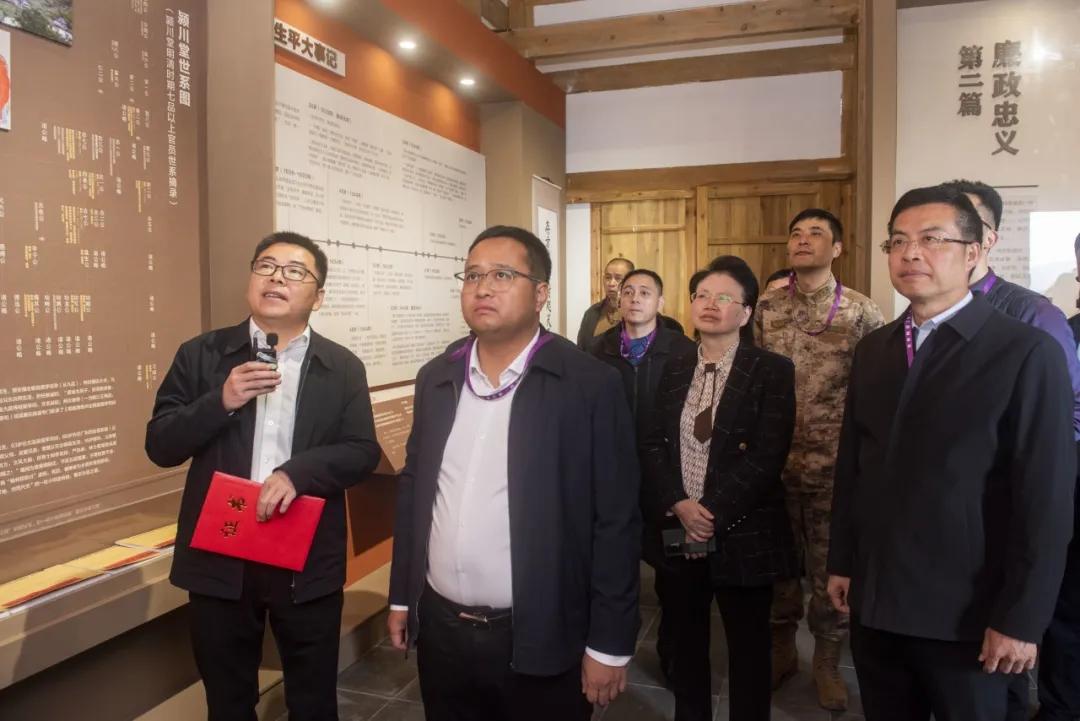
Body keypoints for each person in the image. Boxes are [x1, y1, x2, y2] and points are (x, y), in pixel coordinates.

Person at [827, 185, 1076, 721]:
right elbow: (854, 469)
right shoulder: (876, 349)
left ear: (974, 253)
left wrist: (1021, 618)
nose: (911, 253)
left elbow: (1047, 499)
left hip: (969, 615)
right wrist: (843, 562)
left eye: (932, 239)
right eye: (898, 241)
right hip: (878, 601)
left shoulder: (1026, 351)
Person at [387, 226, 641, 721]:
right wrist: (402, 597)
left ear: (540, 293)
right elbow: (415, 492)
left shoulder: (588, 384)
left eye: (502, 275)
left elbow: (616, 521)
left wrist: (609, 644)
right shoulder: (437, 377)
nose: (483, 288)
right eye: (472, 276)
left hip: (543, 632)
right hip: (443, 632)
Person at [146, 232, 382, 721]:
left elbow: (361, 452)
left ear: (318, 296)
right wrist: (221, 401)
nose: (276, 278)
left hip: (304, 553)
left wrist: (298, 473)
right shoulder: (202, 355)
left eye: (295, 271)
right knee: (227, 699)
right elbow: (161, 445)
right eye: (266, 266)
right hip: (221, 551)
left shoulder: (341, 367)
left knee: (313, 699)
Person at [944, 179, 1080, 721]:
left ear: (987, 239)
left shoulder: (1032, 315)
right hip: (945, 524)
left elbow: (1065, 420)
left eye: (965, 225)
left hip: (1006, 509)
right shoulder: (920, 318)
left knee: (1001, 665)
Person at [640, 256, 798, 721]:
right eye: (702, 295)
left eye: (725, 297)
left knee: (748, 648)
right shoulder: (672, 366)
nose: (711, 304)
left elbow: (768, 455)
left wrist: (709, 514)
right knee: (686, 642)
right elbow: (652, 443)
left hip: (742, 530)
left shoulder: (771, 370)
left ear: (746, 312)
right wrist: (680, 504)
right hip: (680, 525)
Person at [753, 208, 883, 710]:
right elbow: (755, 378)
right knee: (780, 567)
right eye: (796, 233)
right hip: (776, 466)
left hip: (835, 469)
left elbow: (876, 389)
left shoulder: (861, 312)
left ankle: (827, 661)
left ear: (838, 248)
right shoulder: (766, 307)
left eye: (816, 233)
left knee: (832, 571)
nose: (803, 240)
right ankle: (781, 649)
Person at [589, 268, 695, 683]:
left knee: (679, 577)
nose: (635, 298)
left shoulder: (684, 350)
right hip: (612, 478)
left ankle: (677, 658)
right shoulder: (597, 349)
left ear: (660, 303)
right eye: (628, 291)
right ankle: (608, 649)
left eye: (645, 292)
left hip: (670, 482)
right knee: (611, 569)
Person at [577, 256, 684, 348]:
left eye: (618, 278)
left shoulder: (652, 317)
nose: (611, 283)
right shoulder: (593, 313)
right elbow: (582, 349)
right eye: (608, 278)